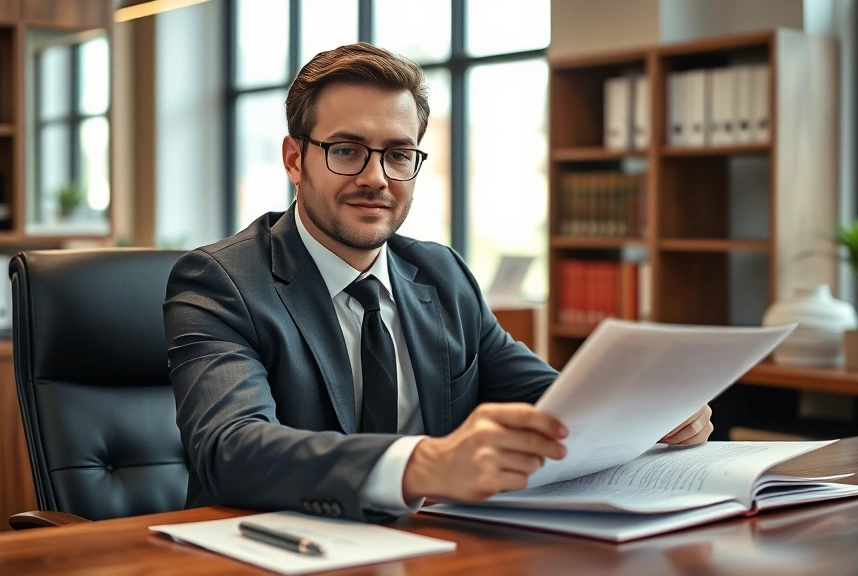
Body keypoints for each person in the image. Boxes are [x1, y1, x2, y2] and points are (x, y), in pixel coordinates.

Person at [163, 42, 713, 523]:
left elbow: (553, 405)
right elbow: (229, 448)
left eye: (399, 154)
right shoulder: (221, 281)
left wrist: (647, 410)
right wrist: (424, 464)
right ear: (295, 158)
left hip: (436, 548)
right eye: (347, 150)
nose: (376, 178)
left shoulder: (442, 275)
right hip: (269, 550)